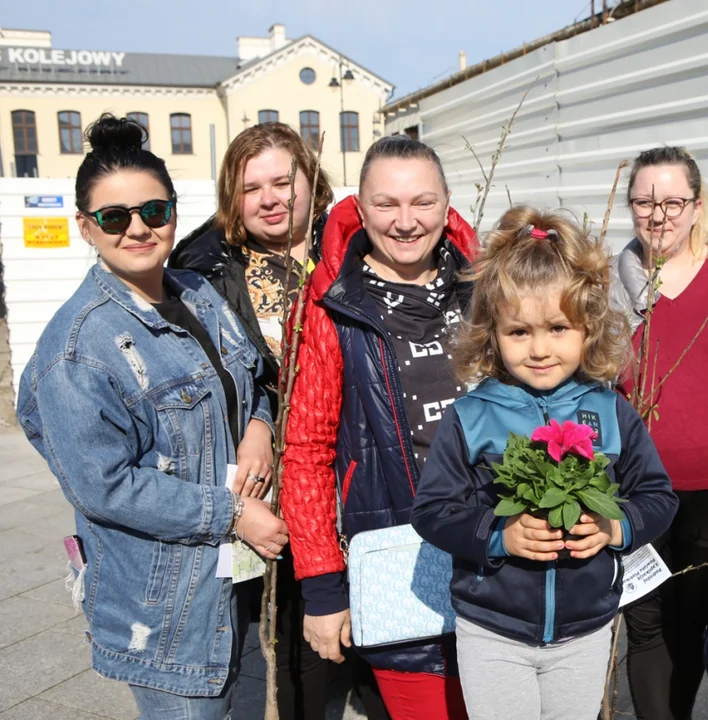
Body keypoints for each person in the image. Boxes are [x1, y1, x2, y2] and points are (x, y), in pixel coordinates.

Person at [16, 114, 288, 719]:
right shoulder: (78, 346)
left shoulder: (199, 291)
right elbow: (103, 486)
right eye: (115, 217)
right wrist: (234, 512)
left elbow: (250, 384)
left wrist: (259, 429)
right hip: (166, 605)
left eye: (154, 211)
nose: (137, 228)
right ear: (85, 227)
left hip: (233, 581)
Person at [411, 206, 679, 720]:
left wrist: (615, 525)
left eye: (558, 328)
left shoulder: (610, 410)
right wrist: (499, 533)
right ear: (491, 332)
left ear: (588, 328)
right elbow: (433, 510)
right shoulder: (471, 416)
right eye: (519, 332)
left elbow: (658, 497)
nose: (539, 349)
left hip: (585, 629)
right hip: (493, 628)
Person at [169, 122, 388, 720]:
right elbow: (208, 379)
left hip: (363, 463)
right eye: (251, 187)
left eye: (282, 181)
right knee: (293, 638)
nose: (269, 198)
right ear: (232, 199)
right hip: (274, 480)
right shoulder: (202, 271)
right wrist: (260, 422)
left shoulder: (355, 246)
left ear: (310, 182)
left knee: (382, 626)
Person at [281, 135, 478, 719]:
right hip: (395, 553)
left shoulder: (487, 290)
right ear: (359, 209)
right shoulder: (329, 305)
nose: (406, 221)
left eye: (422, 202)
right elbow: (307, 450)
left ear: (447, 205)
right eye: (386, 204)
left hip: (494, 552)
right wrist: (322, 588)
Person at [610, 146, 708, 720]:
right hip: (631, 487)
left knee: (690, 625)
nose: (659, 214)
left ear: (697, 206)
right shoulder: (608, 287)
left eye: (673, 201)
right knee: (644, 627)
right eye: (644, 201)